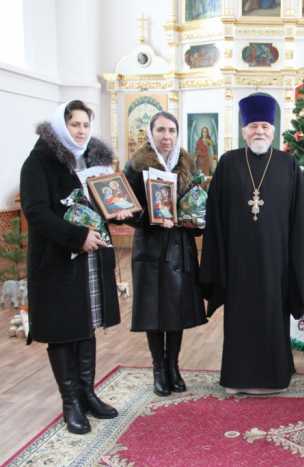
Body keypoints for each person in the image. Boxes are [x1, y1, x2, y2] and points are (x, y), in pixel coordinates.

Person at [200, 94, 304, 394]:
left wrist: (297, 262)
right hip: (238, 261)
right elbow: (215, 215)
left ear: (273, 130)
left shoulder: (288, 165)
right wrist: (218, 260)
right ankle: (237, 377)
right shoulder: (228, 163)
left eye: (265, 126)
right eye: (254, 126)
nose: (259, 131)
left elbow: (301, 219)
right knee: (240, 319)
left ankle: (275, 377)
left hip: (276, 262)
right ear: (244, 130)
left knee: (272, 317)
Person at [20, 100, 132, 434]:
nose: (81, 131)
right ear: (60, 125)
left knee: (86, 327)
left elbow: (101, 203)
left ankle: (87, 394)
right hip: (57, 262)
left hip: (91, 259)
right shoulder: (38, 162)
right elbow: (36, 212)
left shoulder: (92, 160)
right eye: (75, 124)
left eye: (86, 125)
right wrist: (76, 237)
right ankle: (70, 402)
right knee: (62, 331)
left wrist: (117, 211)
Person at [124, 111, 207, 397]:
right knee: (153, 312)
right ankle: (158, 369)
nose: (166, 136)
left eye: (171, 130)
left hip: (180, 247)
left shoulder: (188, 163)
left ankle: (173, 366)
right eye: (160, 130)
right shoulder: (136, 165)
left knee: (176, 311)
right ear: (151, 133)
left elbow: (195, 203)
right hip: (150, 247)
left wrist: (196, 221)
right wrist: (152, 220)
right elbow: (126, 210)